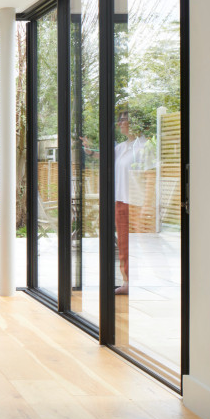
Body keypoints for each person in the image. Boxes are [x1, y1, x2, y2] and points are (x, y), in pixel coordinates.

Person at [82, 109, 154, 295]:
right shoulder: (122, 147)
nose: (120, 123)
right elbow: (102, 156)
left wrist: (147, 204)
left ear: (134, 123)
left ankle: (140, 281)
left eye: (124, 120)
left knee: (139, 244)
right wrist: (89, 151)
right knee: (123, 244)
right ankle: (127, 282)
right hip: (121, 201)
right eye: (119, 120)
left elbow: (151, 176)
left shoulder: (144, 146)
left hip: (135, 202)